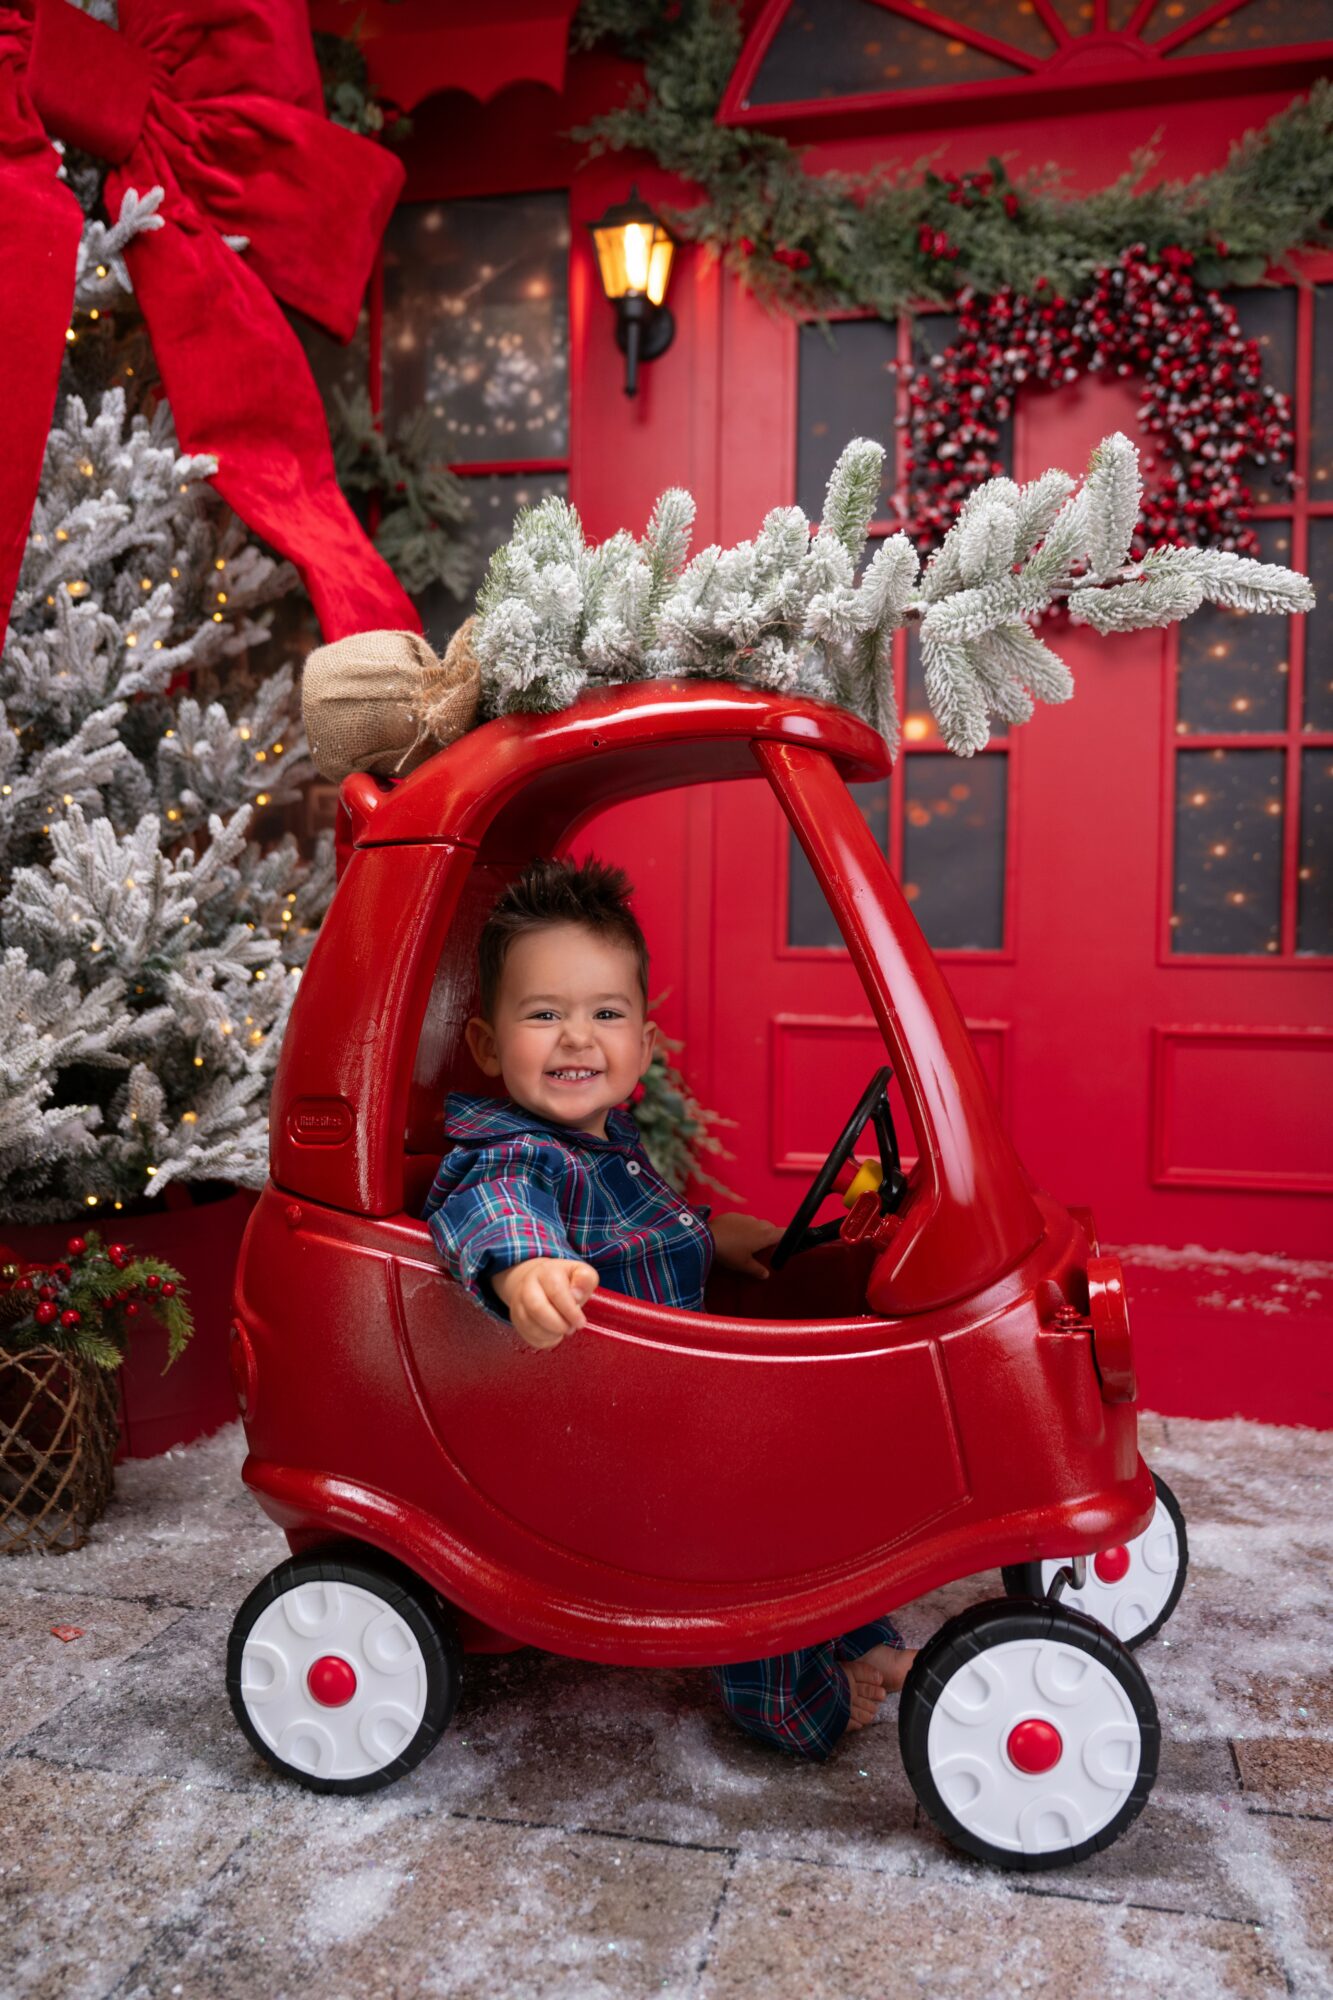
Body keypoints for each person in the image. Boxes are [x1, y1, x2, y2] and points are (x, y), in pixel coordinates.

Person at [422, 855, 916, 1758]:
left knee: (823, 1449)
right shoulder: (514, 1157)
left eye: (604, 1014)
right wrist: (525, 1269)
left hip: (666, 1399)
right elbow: (488, 1211)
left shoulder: (604, 1142)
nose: (577, 1039)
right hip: (601, 1446)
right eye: (544, 1015)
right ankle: (793, 1700)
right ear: (490, 1046)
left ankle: (851, 1627)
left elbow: (637, 1231)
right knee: (754, 1519)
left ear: (643, 1045)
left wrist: (710, 1230)